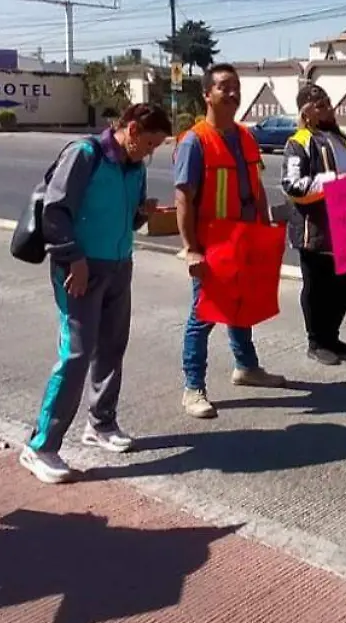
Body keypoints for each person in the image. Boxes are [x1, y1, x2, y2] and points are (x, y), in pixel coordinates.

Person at [20, 104, 172, 484]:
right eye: (149, 143)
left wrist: (142, 212)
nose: (150, 153)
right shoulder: (84, 155)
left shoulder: (135, 167)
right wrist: (73, 259)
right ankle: (40, 446)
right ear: (132, 129)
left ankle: (101, 423)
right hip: (79, 269)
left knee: (112, 346)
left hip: (119, 266)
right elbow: (55, 211)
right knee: (76, 352)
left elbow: (127, 217)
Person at [174, 64, 286, 419]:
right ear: (207, 94)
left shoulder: (246, 136)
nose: (233, 92)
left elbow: (256, 186)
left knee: (242, 304)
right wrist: (191, 248)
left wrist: (265, 224)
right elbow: (183, 199)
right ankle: (193, 388)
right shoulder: (195, 141)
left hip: (245, 237)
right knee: (204, 314)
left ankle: (246, 367)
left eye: (236, 86)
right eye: (224, 87)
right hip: (213, 243)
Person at [280, 83, 346, 364]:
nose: (328, 109)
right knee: (318, 286)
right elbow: (292, 186)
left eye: (328, 103)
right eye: (320, 105)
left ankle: (331, 335)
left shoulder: (340, 139)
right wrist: (334, 182)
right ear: (305, 111)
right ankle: (316, 342)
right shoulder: (299, 142)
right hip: (316, 228)